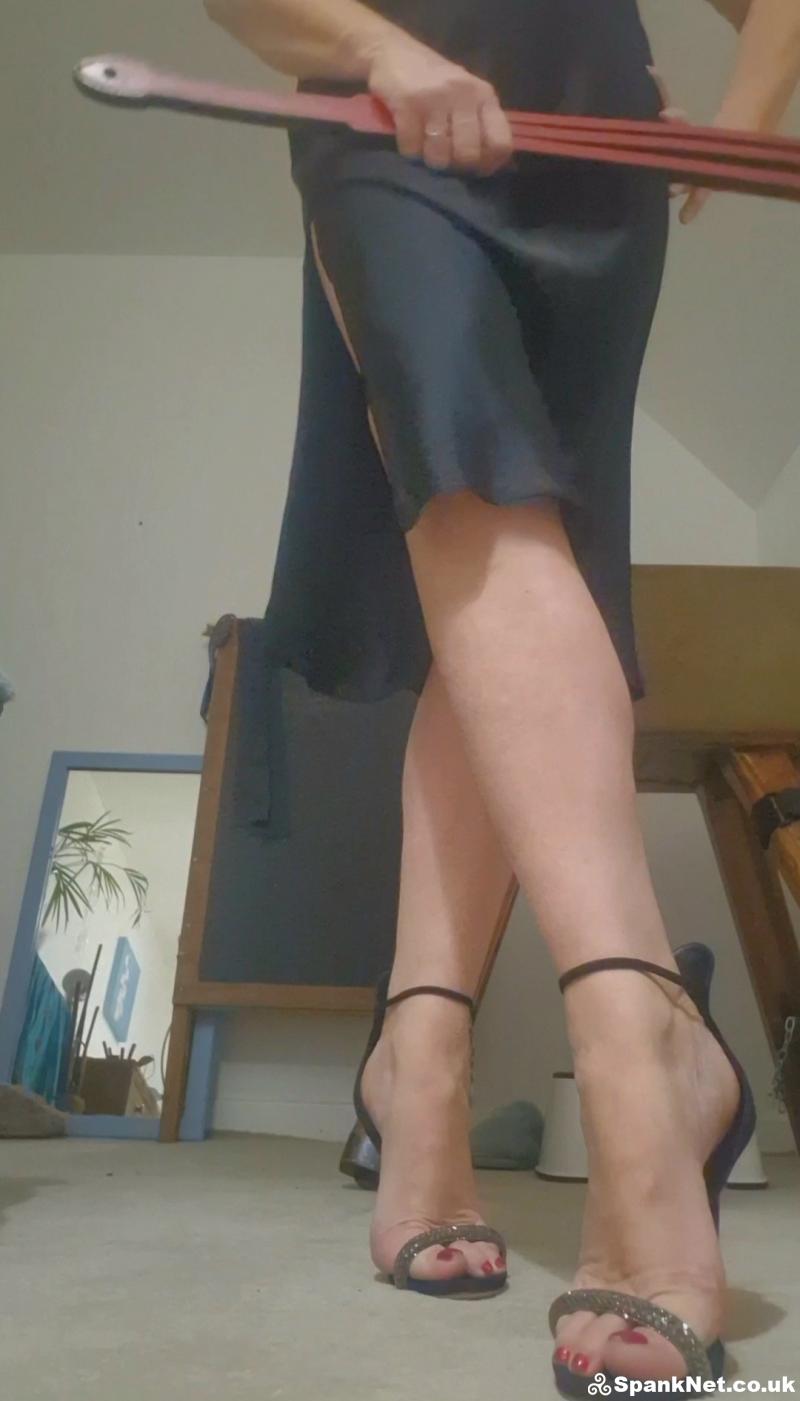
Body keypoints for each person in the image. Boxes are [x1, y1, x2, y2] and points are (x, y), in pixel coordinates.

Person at [205, 0, 800, 1386]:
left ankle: (417, 1057)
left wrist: (743, 114)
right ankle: (642, 1033)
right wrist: (383, 49)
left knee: (540, 568)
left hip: (598, 148)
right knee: (465, 459)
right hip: (379, 109)